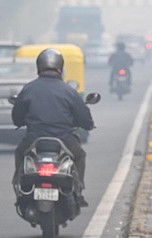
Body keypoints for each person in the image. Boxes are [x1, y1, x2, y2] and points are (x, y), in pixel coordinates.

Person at [11, 48, 95, 205]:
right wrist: (88, 125)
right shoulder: (69, 91)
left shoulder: (29, 89)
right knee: (80, 155)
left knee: (19, 153)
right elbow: (84, 118)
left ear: (39, 67)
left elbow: (17, 118)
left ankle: (20, 185)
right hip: (64, 140)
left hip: (34, 140)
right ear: (60, 68)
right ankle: (79, 189)